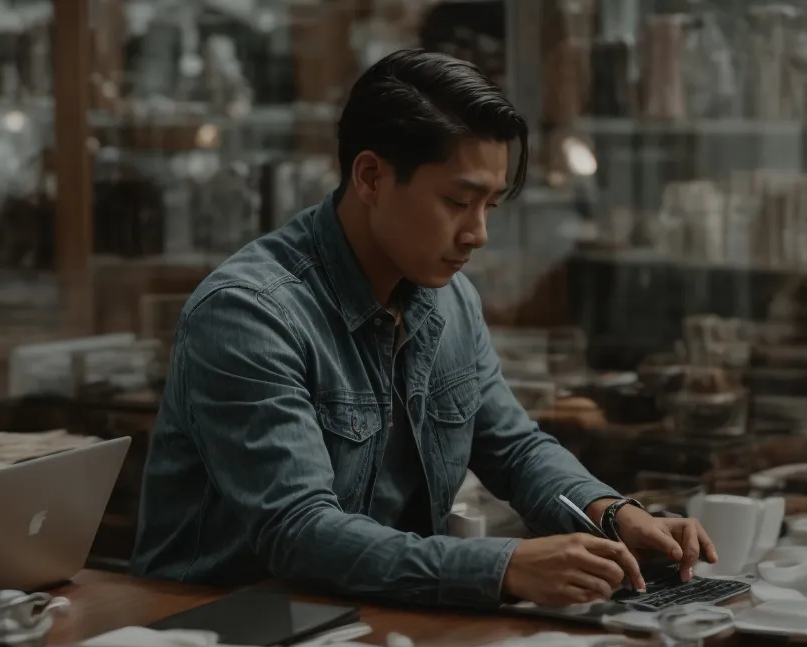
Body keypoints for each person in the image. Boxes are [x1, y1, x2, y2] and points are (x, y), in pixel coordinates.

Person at [132, 50, 716, 608]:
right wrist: (504, 567)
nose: (478, 234)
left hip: (376, 622)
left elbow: (513, 448)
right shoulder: (250, 313)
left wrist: (612, 511)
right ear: (370, 177)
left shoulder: (449, 297)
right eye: (459, 201)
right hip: (217, 637)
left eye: (491, 205)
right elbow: (299, 531)